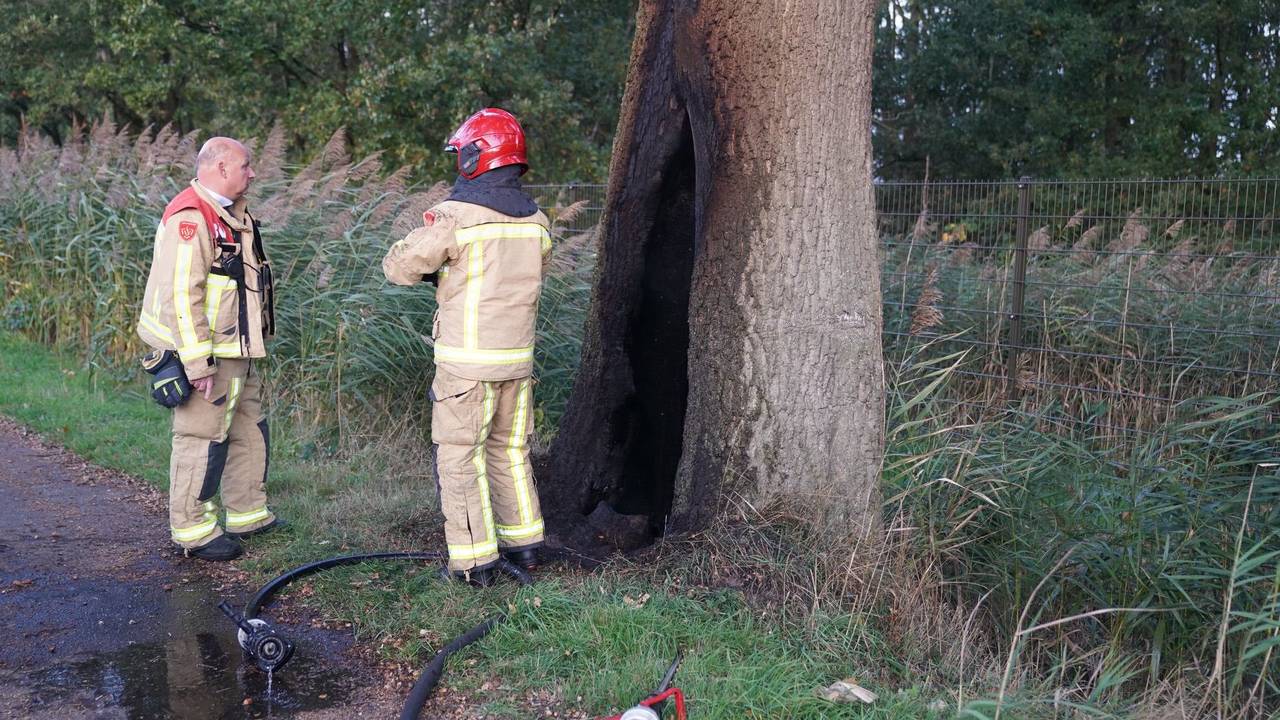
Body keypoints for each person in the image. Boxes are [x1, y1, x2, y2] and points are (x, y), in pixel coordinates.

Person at [383, 108, 551, 586]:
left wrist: (430, 262)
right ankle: (526, 547)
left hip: (466, 367)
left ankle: (474, 562)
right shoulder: (536, 220)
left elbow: (401, 267)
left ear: (477, 157)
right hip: (517, 363)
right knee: (510, 452)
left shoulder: (456, 217)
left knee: (460, 457)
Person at [137, 136, 280, 561]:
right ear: (219, 168)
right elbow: (183, 295)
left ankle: (248, 514)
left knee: (249, 429)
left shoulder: (232, 212)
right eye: (245, 166)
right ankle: (192, 530)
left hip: (237, 350)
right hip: (205, 354)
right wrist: (196, 363)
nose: (252, 173)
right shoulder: (192, 216)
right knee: (201, 437)